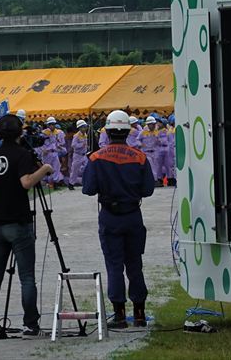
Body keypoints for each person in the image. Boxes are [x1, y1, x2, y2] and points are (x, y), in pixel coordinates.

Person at [0, 113, 53, 338]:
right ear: (20, 132)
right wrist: (45, 168)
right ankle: (30, 324)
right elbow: (26, 182)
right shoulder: (22, 154)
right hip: (18, 222)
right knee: (27, 277)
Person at [82, 109, 155, 329]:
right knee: (135, 265)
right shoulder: (140, 157)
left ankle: (120, 315)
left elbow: (88, 189)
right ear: (127, 131)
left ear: (108, 131)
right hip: (133, 216)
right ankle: (140, 314)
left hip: (109, 217)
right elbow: (148, 190)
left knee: (114, 266)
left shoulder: (96, 157)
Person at [67, 120, 89, 190]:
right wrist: (81, 145)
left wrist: (86, 147)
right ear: (80, 128)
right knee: (75, 170)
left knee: (87, 168)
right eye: (83, 127)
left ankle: (87, 182)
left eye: (85, 127)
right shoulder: (76, 136)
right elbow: (73, 145)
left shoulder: (85, 135)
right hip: (77, 155)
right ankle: (71, 183)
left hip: (84, 155)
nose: (85, 128)